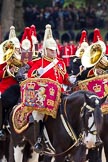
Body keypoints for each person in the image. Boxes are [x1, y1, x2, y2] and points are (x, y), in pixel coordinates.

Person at [15, 24, 76, 152]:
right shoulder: (39, 62)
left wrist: (71, 79)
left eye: (54, 50)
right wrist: (38, 73)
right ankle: (39, 139)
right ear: (45, 50)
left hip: (60, 93)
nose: (54, 52)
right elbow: (30, 75)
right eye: (51, 50)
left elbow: (64, 78)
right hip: (45, 96)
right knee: (38, 113)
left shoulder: (60, 63)